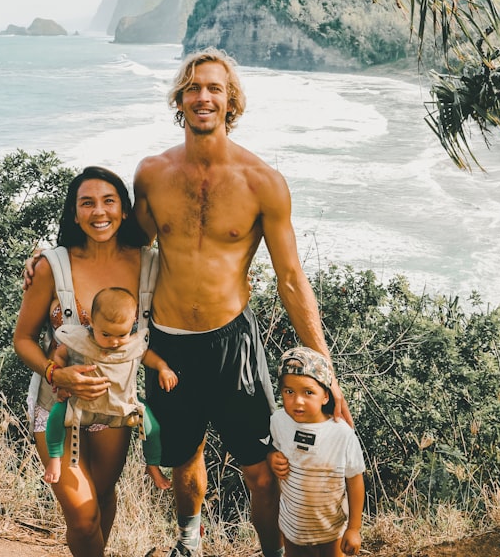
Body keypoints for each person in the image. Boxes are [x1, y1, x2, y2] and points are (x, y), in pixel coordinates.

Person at [133, 47, 353, 557]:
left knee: (260, 469)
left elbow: (292, 279)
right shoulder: (152, 174)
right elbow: (122, 248)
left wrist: (325, 373)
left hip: (232, 345)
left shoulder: (262, 183)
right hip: (168, 345)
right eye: (192, 87)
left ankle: (271, 554)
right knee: (184, 461)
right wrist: (53, 262)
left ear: (231, 101)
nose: (202, 96)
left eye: (214, 88)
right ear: (179, 100)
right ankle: (189, 544)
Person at [13, 166, 160, 557]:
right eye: (87, 203)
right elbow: (23, 339)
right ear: (74, 213)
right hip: (55, 404)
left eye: (109, 201)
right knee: (81, 515)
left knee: (103, 496)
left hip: (113, 408)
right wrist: (56, 371)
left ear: (124, 210)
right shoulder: (52, 266)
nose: (100, 211)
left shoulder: (148, 264)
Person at [42, 286, 177, 489]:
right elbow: (60, 354)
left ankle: (153, 465)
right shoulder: (80, 340)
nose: (114, 342)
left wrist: (163, 368)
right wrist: (60, 378)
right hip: (82, 405)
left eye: (121, 335)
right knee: (56, 414)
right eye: (105, 334)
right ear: (92, 323)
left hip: (123, 405)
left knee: (153, 428)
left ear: (132, 324)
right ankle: (54, 457)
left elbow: (146, 356)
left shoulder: (133, 343)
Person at [268, 347, 364, 557]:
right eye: (289, 391)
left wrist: (354, 528)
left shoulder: (342, 434)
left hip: (331, 528)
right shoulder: (279, 421)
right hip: (292, 526)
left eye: (308, 392)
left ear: (325, 396)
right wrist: (272, 457)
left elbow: (355, 480)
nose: (297, 400)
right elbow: (273, 448)